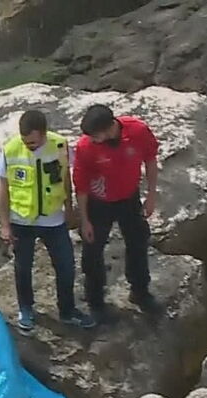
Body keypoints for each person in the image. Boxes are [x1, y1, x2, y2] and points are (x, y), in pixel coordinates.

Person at [0, 110, 96, 333]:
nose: (29, 146)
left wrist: (69, 209)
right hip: (21, 220)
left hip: (53, 219)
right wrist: (5, 224)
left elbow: (66, 179)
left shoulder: (60, 146)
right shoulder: (10, 149)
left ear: (43, 134)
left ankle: (68, 310)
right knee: (22, 267)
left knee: (66, 265)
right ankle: (26, 309)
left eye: (33, 142)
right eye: (25, 141)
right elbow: (3, 189)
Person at [73, 104, 161, 322]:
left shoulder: (137, 131)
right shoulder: (86, 146)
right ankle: (95, 300)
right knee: (93, 250)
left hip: (129, 197)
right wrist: (85, 220)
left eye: (96, 135)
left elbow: (150, 159)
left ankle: (140, 290)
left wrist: (151, 194)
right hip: (99, 203)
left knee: (138, 241)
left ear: (109, 128)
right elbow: (81, 185)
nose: (92, 140)